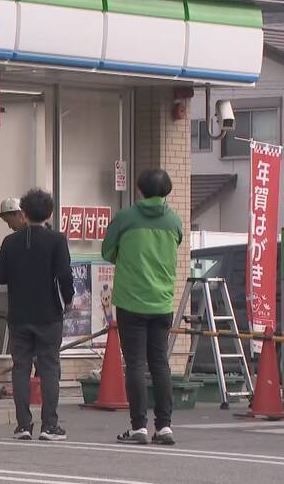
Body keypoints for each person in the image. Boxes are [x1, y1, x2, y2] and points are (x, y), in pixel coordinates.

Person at [101, 168, 182, 446]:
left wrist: (128, 259)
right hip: (162, 302)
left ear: (139, 189)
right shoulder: (174, 221)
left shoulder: (125, 218)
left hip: (130, 301)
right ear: (167, 190)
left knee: (135, 363)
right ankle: (165, 427)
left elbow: (107, 251)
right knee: (160, 363)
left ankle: (138, 427)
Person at [0, 189, 73, 441]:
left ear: (24, 213)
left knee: (21, 368)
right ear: (49, 214)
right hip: (49, 314)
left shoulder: (10, 242)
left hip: (19, 314)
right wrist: (68, 300)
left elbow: (0, 277)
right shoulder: (57, 240)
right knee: (49, 368)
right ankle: (49, 426)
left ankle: (23, 426)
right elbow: (65, 275)